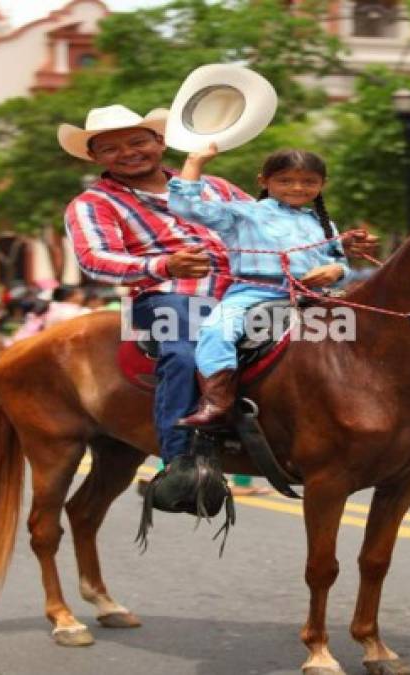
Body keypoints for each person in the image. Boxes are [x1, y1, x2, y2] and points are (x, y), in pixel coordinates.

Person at [60, 105, 375, 497]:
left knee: (359, 333)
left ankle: (398, 433)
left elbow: (274, 223)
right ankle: (181, 463)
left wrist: (336, 247)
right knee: (184, 352)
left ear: (159, 142)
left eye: (138, 141)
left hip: (263, 289)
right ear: (94, 157)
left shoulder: (217, 187)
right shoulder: (92, 204)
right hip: (170, 296)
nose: (127, 152)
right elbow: (95, 259)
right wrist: (165, 265)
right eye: (110, 148)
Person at [168, 145, 349, 427]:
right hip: (253, 294)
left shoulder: (325, 225)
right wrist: (195, 161)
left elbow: (340, 262)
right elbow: (186, 207)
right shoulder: (242, 214)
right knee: (217, 330)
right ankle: (217, 401)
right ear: (263, 181)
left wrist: (335, 270)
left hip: (315, 297)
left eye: (309, 181)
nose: (298, 187)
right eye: (285, 180)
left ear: (322, 184)